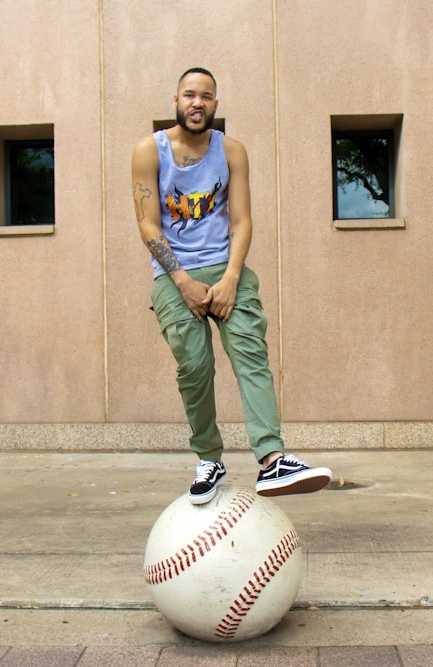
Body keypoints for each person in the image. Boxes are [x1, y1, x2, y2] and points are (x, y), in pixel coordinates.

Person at [131, 67, 332, 505]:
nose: (197, 103)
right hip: (174, 275)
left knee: (250, 354)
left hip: (226, 268)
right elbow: (148, 226)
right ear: (176, 100)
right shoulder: (150, 150)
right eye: (189, 95)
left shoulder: (233, 151)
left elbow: (241, 222)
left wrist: (230, 279)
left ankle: (272, 459)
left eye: (206, 96)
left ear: (215, 105)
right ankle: (209, 458)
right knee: (195, 366)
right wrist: (181, 281)